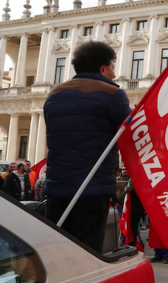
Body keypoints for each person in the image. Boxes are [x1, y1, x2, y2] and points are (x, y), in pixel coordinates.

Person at [44, 41, 131, 252]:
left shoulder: (54, 95)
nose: (114, 74)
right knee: (86, 250)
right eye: (112, 67)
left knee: (57, 249)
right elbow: (129, 133)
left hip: (57, 186)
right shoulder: (112, 93)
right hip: (92, 187)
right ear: (103, 68)